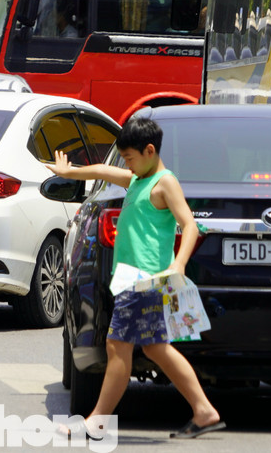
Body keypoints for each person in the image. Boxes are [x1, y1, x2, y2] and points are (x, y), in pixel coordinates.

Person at [45, 116, 224, 439]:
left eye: (129, 157)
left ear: (150, 150)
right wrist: (71, 172)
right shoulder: (138, 179)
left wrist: (179, 264)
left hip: (146, 282)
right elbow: (102, 170)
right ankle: (204, 410)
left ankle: (96, 421)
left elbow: (190, 224)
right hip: (134, 281)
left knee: (117, 346)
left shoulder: (164, 182)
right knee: (156, 349)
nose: (126, 164)